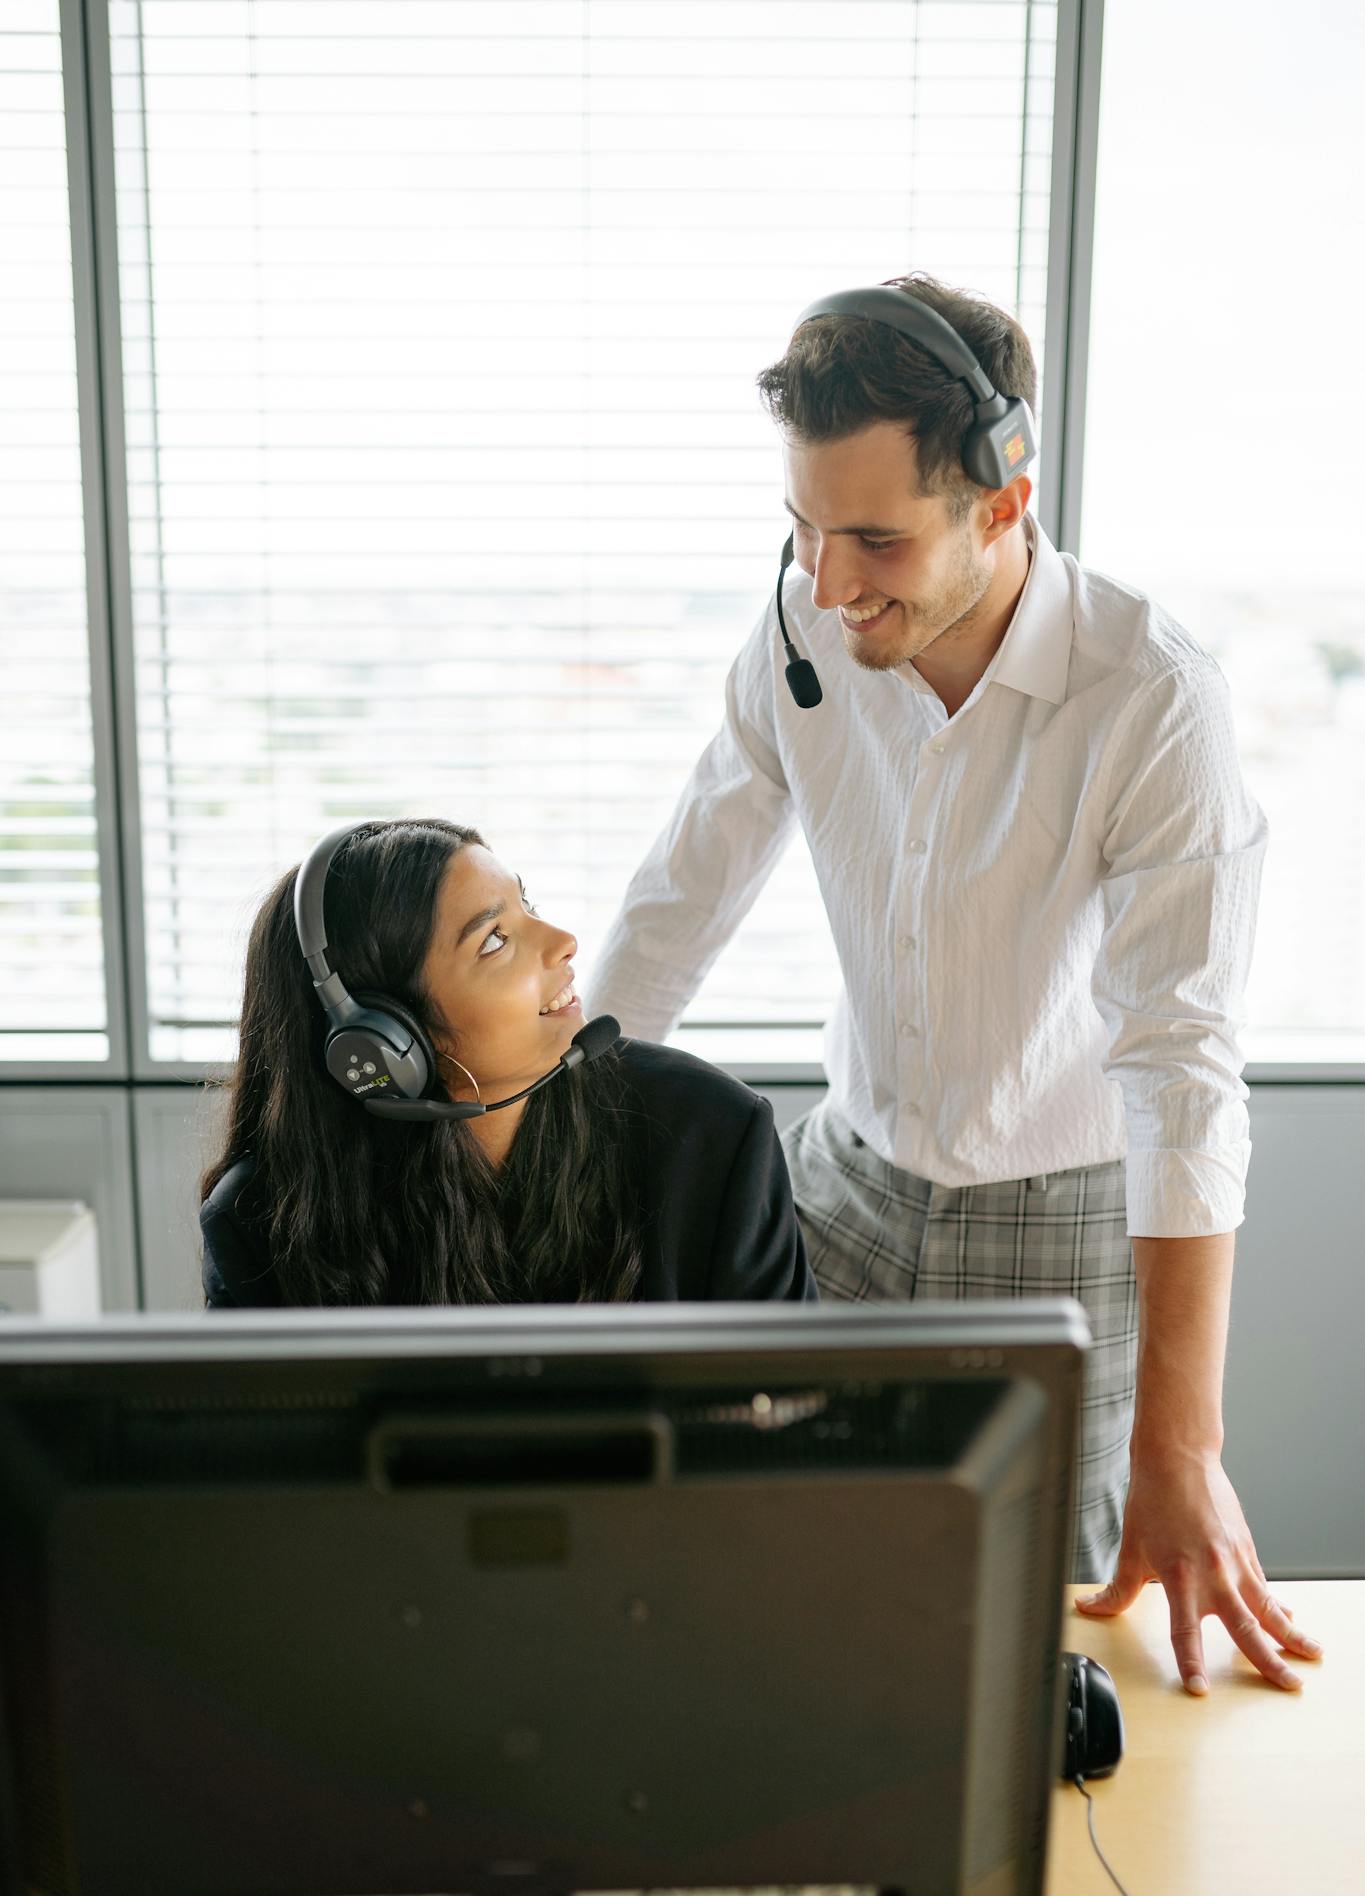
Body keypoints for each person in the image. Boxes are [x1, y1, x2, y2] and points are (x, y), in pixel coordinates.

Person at [584, 272, 1324, 1695]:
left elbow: (1179, 1065)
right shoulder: (801, 630)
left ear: (1002, 500)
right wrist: (544, 1147)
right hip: (843, 1197)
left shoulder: (1150, 695)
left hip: (1063, 1236)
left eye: (874, 537)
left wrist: (1183, 1445)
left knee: (1040, 1666)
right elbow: (676, 907)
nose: (826, 581)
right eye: (801, 528)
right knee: (783, 1599)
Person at [200, 818, 816, 1309]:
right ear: (385, 1041)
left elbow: (783, 1425)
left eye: (527, 904)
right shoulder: (263, 1219)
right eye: (494, 939)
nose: (563, 940)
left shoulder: (712, 1132)